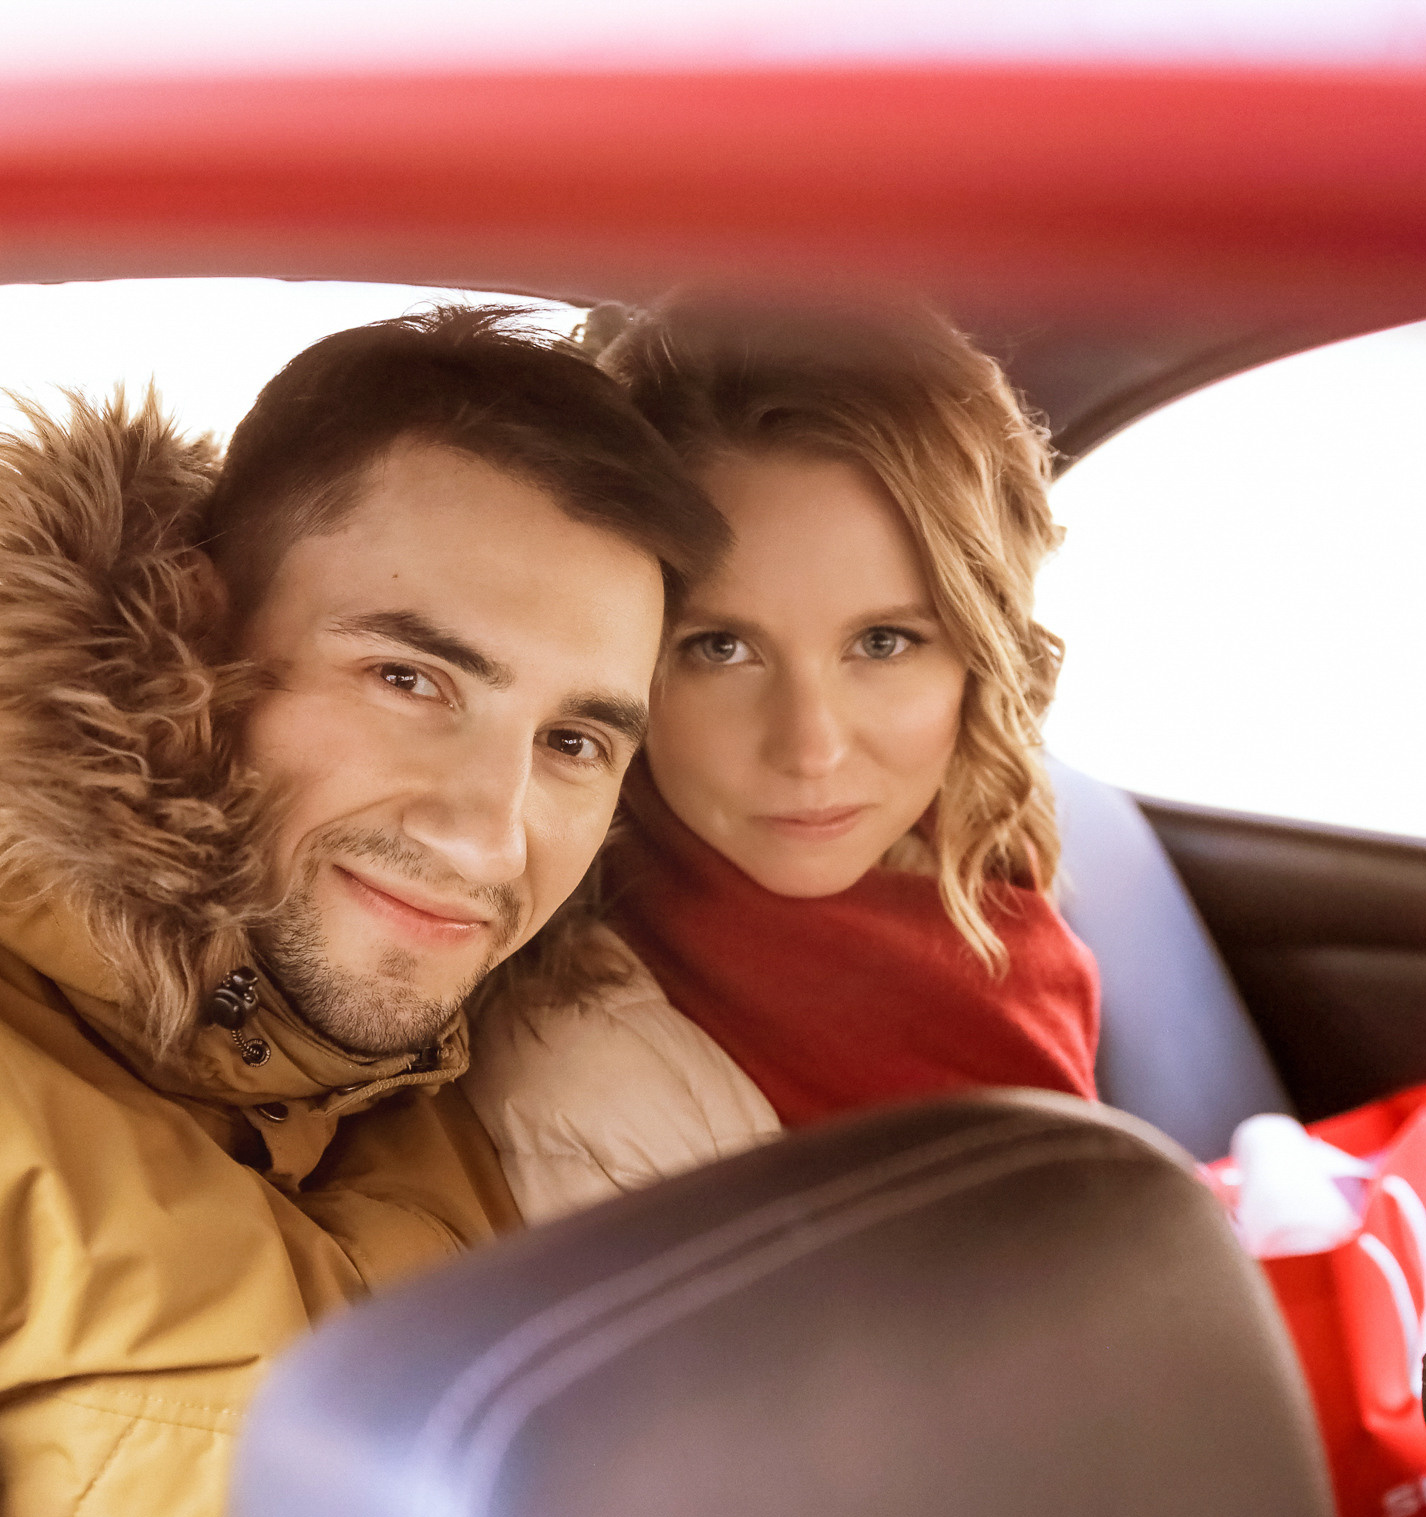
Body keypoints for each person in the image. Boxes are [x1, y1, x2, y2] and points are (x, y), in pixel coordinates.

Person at [0, 306, 727, 1517]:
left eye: (575, 743)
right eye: (409, 681)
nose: (490, 836)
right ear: (194, 641)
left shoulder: (479, 1068)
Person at [466, 298, 1100, 1222]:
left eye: (883, 643)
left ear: (979, 647)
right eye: (720, 649)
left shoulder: (979, 862)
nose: (812, 749)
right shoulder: (594, 1074)